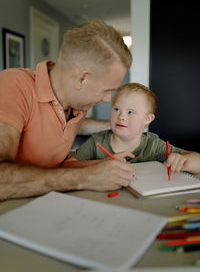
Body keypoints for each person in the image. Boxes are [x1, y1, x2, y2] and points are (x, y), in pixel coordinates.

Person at [0, 20, 135, 200]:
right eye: (107, 90)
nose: (107, 99)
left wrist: (103, 166)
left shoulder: (76, 103)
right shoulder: (12, 85)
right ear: (82, 79)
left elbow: (57, 145)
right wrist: (86, 177)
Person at [66, 83, 200, 174]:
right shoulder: (97, 142)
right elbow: (68, 166)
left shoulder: (154, 146)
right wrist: (102, 163)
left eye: (130, 112)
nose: (121, 117)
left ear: (147, 119)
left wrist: (183, 161)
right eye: (117, 109)